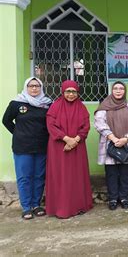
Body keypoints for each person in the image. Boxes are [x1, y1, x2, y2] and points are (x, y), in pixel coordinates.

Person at [2, 77, 52, 219]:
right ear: (26, 87)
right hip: (22, 147)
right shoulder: (16, 103)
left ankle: (36, 204)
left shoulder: (47, 104)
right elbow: (6, 121)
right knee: (24, 177)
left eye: (37, 86)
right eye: (31, 86)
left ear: (41, 87)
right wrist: (18, 133)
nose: (34, 88)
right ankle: (26, 207)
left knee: (39, 176)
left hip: (41, 146)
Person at [45, 80, 93, 218]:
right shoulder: (55, 107)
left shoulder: (82, 107)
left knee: (77, 175)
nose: (71, 94)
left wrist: (75, 140)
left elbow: (86, 127)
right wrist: (66, 139)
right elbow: (51, 125)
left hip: (77, 147)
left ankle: (79, 205)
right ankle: (60, 207)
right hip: (59, 147)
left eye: (74, 92)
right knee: (61, 176)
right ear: (63, 92)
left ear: (78, 93)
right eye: (68, 91)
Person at [94, 81, 128, 210]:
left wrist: (126, 138)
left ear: (125, 91)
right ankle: (113, 198)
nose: (118, 91)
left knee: (126, 173)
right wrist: (114, 138)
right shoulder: (104, 106)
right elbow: (99, 124)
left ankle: (124, 197)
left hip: (127, 143)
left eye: (121, 88)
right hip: (110, 143)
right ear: (111, 90)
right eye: (115, 88)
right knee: (111, 173)